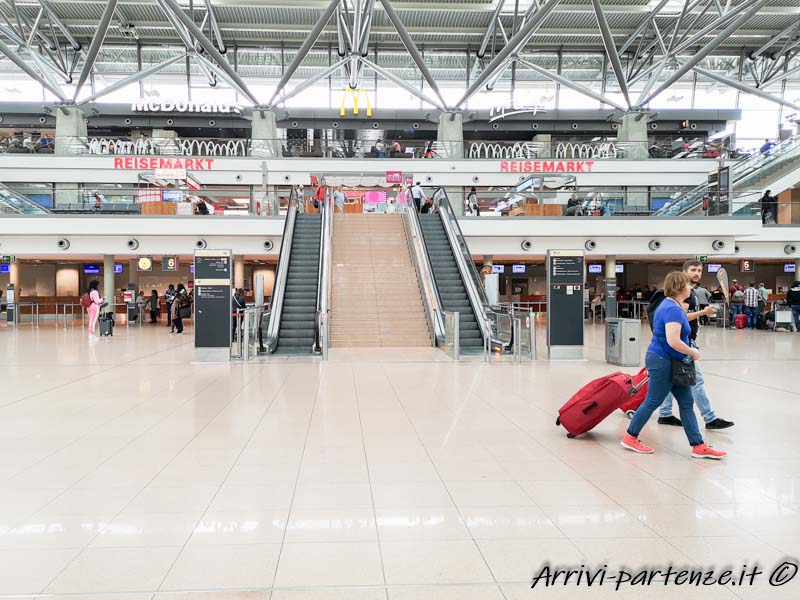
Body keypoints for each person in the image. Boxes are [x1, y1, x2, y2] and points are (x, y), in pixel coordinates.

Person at [623, 271, 727, 459]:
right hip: (663, 360)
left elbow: (679, 323)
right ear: (679, 287)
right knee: (653, 400)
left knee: (686, 403)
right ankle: (630, 436)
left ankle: (698, 445)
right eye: (688, 285)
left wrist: (703, 312)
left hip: (673, 360)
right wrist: (692, 352)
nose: (691, 287)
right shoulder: (671, 308)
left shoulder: (673, 306)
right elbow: (672, 340)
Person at [657, 260, 734, 430]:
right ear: (684, 272)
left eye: (699, 270)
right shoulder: (685, 295)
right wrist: (704, 312)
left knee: (670, 380)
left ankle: (665, 413)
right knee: (697, 381)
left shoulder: (689, 292)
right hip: (684, 342)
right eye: (693, 270)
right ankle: (710, 418)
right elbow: (681, 317)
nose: (697, 273)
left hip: (684, 340)